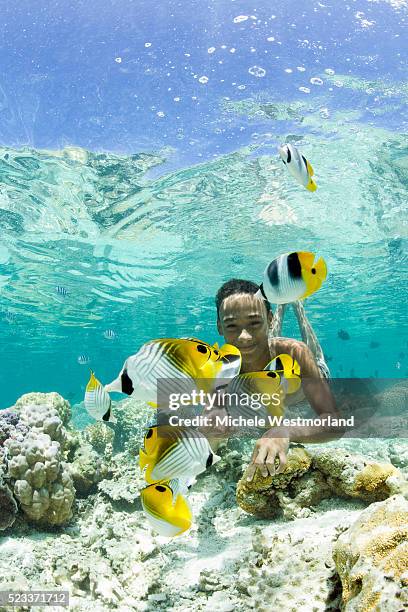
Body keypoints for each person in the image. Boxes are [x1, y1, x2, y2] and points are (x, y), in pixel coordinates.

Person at [211, 278, 341, 481]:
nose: (244, 336)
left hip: (307, 381)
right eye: (232, 326)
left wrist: (285, 431)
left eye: (254, 323)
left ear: (268, 319)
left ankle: (298, 308)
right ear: (219, 327)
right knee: (267, 351)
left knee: (310, 351)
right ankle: (281, 305)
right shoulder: (221, 368)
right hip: (276, 380)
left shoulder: (294, 351)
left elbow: (335, 423)